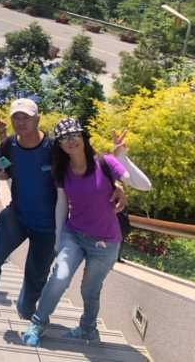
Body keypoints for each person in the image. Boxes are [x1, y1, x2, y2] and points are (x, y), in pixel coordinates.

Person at [0, 99, 128, 327]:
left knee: (35, 278)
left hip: (48, 225)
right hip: (17, 216)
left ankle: (29, 309)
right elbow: (5, 173)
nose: (20, 122)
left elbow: (86, 162)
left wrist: (117, 182)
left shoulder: (54, 149)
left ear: (37, 120)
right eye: (16, 118)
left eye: (26, 117)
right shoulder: (9, 145)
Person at [22, 121, 152, 345]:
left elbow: (144, 185)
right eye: (64, 137)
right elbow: (61, 205)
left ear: (83, 136)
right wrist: (58, 240)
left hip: (106, 242)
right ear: (60, 145)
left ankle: (87, 328)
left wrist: (122, 158)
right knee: (59, 277)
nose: (71, 140)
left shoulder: (106, 162)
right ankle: (38, 322)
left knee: (90, 288)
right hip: (74, 235)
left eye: (75, 134)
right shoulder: (62, 171)